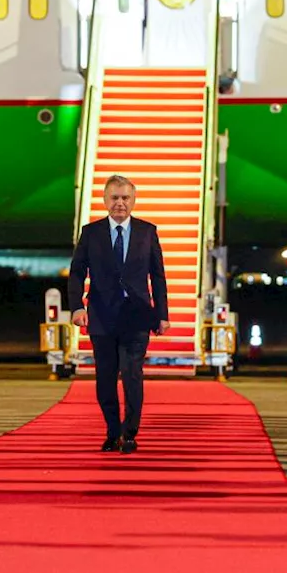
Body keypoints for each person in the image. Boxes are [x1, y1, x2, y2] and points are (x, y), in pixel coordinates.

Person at [67, 175, 170, 454]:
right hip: (101, 316)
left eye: (125, 198)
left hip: (136, 317)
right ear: (105, 200)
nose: (120, 203)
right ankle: (113, 432)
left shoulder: (148, 232)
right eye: (114, 197)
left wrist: (162, 314)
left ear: (133, 200)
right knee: (106, 378)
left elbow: (157, 276)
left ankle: (131, 432)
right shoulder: (91, 233)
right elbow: (77, 273)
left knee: (132, 373)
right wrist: (76, 307)